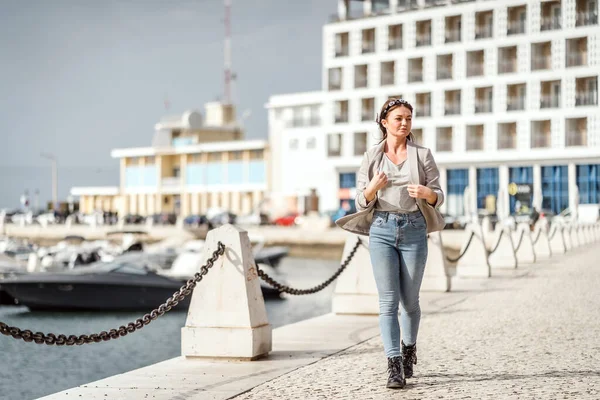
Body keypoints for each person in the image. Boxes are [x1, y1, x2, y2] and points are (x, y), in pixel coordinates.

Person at [342, 98, 444, 389]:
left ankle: (409, 349)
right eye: (399, 118)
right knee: (387, 302)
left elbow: (439, 195)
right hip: (382, 229)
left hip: (414, 228)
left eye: (409, 118)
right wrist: (372, 189)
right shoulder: (372, 156)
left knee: (409, 301)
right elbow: (361, 200)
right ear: (384, 122)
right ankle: (394, 364)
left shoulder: (422, 155)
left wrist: (427, 193)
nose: (404, 123)